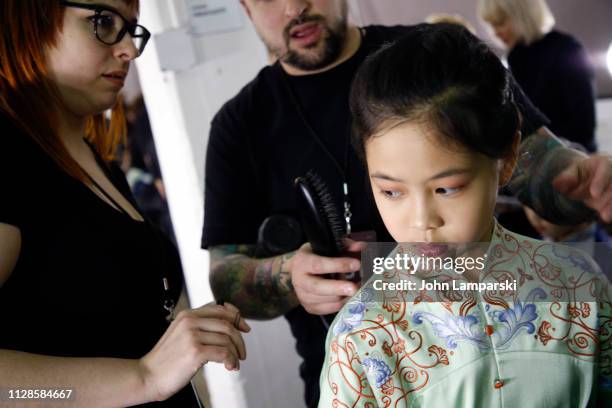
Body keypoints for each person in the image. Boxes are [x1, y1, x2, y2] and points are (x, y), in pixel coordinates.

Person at [202, 1, 612, 406]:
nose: (295, 7)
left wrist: (585, 179)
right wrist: (288, 275)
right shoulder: (239, 126)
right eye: (391, 191)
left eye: (447, 187)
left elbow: (538, 163)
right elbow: (225, 275)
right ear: (245, 7)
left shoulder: (438, 62)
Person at [319, 23, 611, 406]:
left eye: (447, 188)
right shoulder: (363, 333)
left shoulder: (578, 287)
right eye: (391, 192)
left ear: (506, 160)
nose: (422, 220)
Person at [0, 1, 249, 407]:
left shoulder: (98, 163)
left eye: (130, 29)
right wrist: (143, 377)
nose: (130, 51)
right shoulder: (9, 155)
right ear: (28, 19)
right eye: (102, 22)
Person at [478, 0, 597, 153]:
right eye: (491, 25)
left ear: (521, 15)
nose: (495, 32)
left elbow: (584, 124)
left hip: (574, 156)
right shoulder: (514, 58)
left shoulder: (566, 49)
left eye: (500, 23)